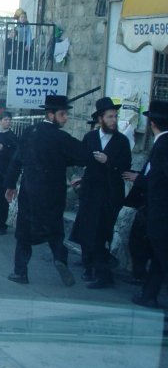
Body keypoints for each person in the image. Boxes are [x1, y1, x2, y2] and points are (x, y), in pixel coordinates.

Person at [4, 95, 93, 286]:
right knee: (55, 231)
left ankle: (20, 272)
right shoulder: (61, 137)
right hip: (53, 193)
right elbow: (83, 156)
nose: (66, 118)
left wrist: (10, 185)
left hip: (30, 191)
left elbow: (16, 161)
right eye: (62, 114)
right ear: (51, 115)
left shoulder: (28, 132)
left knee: (24, 234)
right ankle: (60, 259)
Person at [68, 97, 131, 289]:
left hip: (110, 195)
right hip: (90, 193)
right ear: (100, 119)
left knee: (102, 232)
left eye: (115, 116)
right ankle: (90, 266)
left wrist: (108, 161)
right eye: (110, 116)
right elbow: (81, 160)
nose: (114, 120)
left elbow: (125, 168)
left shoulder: (121, 141)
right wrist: (78, 177)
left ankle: (102, 271)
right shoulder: (91, 138)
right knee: (87, 230)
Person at [125, 101, 168, 309]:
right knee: (159, 257)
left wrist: (138, 179)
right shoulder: (161, 143)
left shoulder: (163, 145)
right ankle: (149, 294)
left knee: (161, 255)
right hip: (156, 210)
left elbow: (160, 179)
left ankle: (149, 294)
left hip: (160, 212)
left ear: (152, 123)